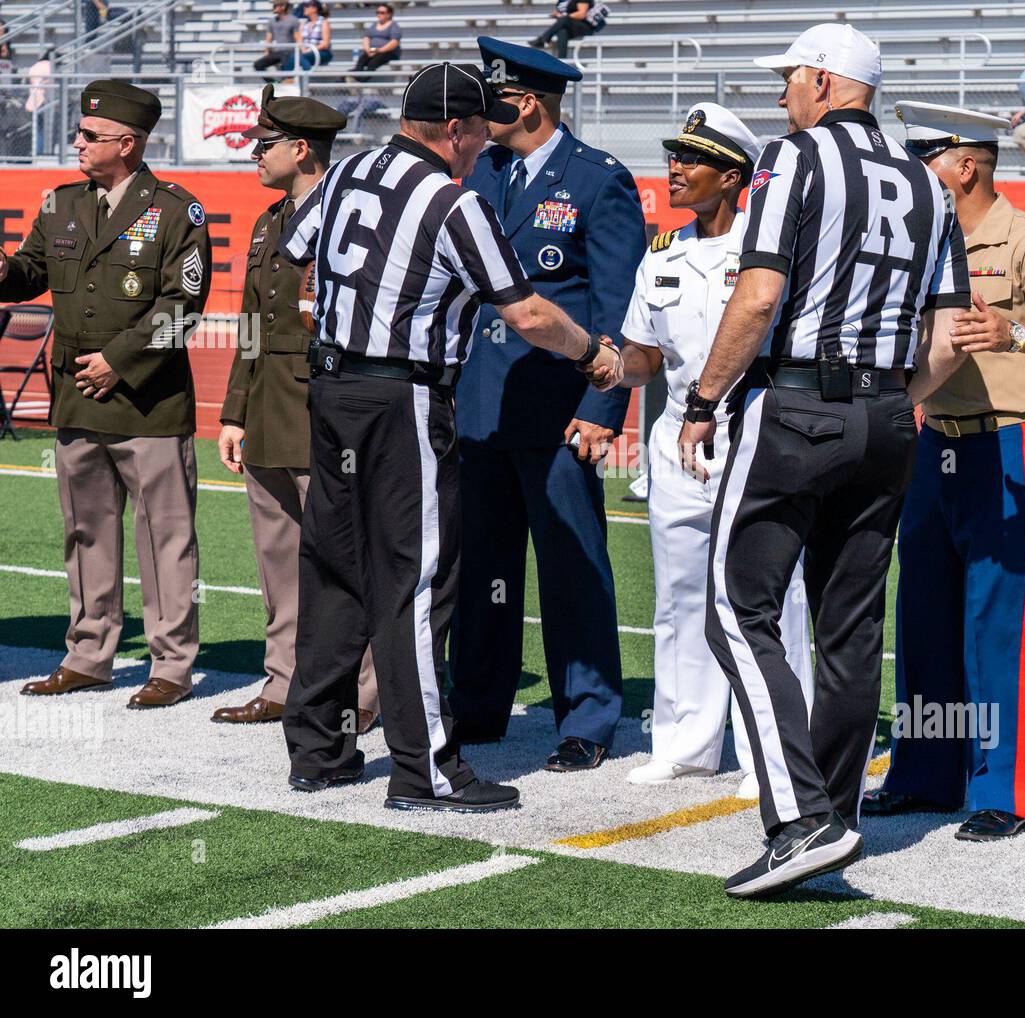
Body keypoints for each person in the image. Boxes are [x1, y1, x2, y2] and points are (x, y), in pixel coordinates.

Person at [277, 62, 624, 810]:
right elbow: (527, 313)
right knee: (418, 577)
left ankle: (319, 750)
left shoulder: (349, 172)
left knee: (336, 566)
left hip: (333, 386)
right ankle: (428, 770)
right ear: (459, 130)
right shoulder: (451, 201)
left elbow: (295, 250)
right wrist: (592, 354)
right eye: (476, 134)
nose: (479, 150)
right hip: (402, 394)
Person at [676, 24, 970, 899]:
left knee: (737, 608)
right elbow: (951, 336)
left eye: (790, 80)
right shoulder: (929, 182)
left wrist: (702, 401)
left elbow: (761, 293)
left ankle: (802, 821)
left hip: (799, 403)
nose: (780, 97)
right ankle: (833, 814)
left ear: (823, 80)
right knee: (849, 628)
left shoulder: (794, 158)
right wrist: (889, 403)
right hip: (888, 413)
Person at [868, 101, 1025, 841]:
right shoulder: (917, 240)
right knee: (924, 614)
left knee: (1003, 621)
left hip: (1012, 445)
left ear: (966, 166)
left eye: (925, 157)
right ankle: (925, 774)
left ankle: (1005, 791)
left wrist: (1015, 329)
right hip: (937, 443)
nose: (911, 170)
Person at [450, 37, 644, 773]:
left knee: (571, 565)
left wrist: (604, 409)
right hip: (480, 405)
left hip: (563, 412)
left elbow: (617, 307)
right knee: (483, 567)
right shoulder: (480, 172)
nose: (479, 113)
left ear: (525, 101)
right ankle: (477, 703)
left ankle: (588, 718)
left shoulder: (598, 180)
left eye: (491, 97)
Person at [618, 103, 815, 797]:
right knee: (676, 596)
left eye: (689, 159)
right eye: (673, 154)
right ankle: (684, 742)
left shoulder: (769, 250)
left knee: (768, 594)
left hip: (753, 433)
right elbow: (643, 354)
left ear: (733, 176)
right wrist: (601, 363)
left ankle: (775, 749)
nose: (674, 168)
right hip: (675, 441)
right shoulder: (662, 252)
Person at [0, 81, 211, 707]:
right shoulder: (61, 204)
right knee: (86, 531)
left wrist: (120, 361)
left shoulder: (176, 211)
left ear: (128, 142)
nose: (78, 143)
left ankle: (171, 666)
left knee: (163, 536)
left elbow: (186, 309)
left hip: (148, 401)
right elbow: (30, 273)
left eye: (90, 136)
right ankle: (89, 654)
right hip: (76, 398)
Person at [211, 86, 380, 730]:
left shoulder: (350, 216)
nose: (254, 155)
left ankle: (364, 694)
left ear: (301, 148)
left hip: (328, 410)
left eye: (265, 145)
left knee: (344, 558)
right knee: (278, 559)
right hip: (267, 414)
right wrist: (233, 411)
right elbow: (251, 324)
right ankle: (283, 682)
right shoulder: (269, 221)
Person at [530, 1, 607, 60]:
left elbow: (582, 14)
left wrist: (564, 16)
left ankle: (543, 39)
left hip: (586, 27)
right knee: (562, 31)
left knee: (564, 20)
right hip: (574, 26)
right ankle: (562, 61)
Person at [283, 0, 331, 72]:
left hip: (321, 52)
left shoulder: (324, 22)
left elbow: (325, 44)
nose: (304, 8)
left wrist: (310, 50)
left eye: (307, 6)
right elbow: (299, 41)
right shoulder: (305, 23)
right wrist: (303, 49)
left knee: (298, 57)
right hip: (306, 52)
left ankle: (291, 79)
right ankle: (288, 79)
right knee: (291, 57)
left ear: (314, 9)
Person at [353, 3, 401, 74]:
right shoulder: (374, 25)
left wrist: (380, 50)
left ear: (389, 14)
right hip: (374, 51)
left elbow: (394, 42)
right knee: (361, 60)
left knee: (373, 62)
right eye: (377, 12)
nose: (379, 14)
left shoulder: (393, 26)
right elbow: (366, 37)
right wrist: (367, 50)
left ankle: (359, 79)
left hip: (388, 52)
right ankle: (355, 76)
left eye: (382, 13)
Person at [252, 2, 297, 75]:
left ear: (283, 6)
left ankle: (287, 82)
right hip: (278, 52)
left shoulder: (293, 20)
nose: (273, 7)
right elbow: (269, 38)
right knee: (258, 65)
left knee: (285, 63)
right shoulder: (272, 21)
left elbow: (297, 37)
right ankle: (273, 82)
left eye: (275, 5)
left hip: (290, 51)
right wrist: (266, 51)